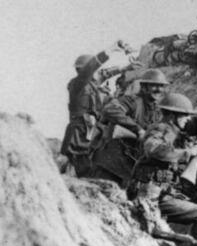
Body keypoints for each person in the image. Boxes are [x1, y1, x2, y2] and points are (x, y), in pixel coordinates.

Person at [129, 93, 197, 246]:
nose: (187, 119)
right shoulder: (160, 129)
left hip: (161, 193)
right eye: (184, 115)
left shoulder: (176, 133)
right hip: (147, 194)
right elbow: (152, 149)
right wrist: (187, 153)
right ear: (173, 115)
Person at [59, 41, 138, 177]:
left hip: (91, 129)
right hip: (79, 130)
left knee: (89, 161)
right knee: (75, 162)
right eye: (93, 70)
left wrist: (125, 68)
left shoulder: (91, 84)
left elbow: (104, 74)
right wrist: (110, 50)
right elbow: (92, 70)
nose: (97, 73)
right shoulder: (78, 84)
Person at [90, 68, 168, 187]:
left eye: (161, 86)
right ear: (144, 87)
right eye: (154, 86)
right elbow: (110, 109)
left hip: (130, 168)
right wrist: (137, 129)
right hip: (109, 164)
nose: (159, 90)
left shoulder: (157, 111)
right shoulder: (132, 101)